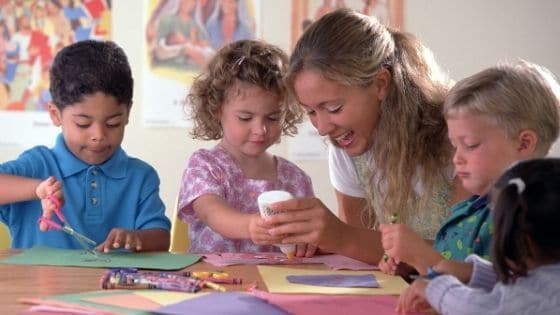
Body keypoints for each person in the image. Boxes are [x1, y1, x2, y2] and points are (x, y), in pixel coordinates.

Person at [265, 8, 464, 264]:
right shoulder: (346, 145)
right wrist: (323, 239)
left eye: (334, 108)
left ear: (380, 84)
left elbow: (464, 258)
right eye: (311, 111)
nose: (322, 128)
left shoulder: (460, 138)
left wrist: (343, 237)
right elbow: (367, 253)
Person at [379, 60, 560, 277]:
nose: (457, 158)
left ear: (523, 143)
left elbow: (498, 288)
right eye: (455, 146)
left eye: (471, 145)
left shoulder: (530, 219)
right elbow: (454, 268)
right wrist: (413, 267)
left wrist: (424, 258)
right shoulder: (470, 208)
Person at [0, 40, 171, 252]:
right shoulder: (37, 165)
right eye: (83, 124)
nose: (98, 135)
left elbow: (162, 239)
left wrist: (138, 238)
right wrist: (36, 189)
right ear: (55, 114)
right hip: (37, 285)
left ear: (127, 113)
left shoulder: (140, 176)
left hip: (115, 285)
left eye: (113, 123)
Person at [178, 39, 315, 255]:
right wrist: (249, 226)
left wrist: (310, 242)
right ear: (216, 109)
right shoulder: (205, 166)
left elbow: (311, 232)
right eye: (245, 117)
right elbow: (211, 212)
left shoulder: (295, 179)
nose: (260, 129)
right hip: (218, 282)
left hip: (277, 284)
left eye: (272, 117)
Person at [397, 158, 560, 314]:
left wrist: (435, 288)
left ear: (524, 242)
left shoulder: (531, 298)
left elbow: (478, 309)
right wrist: (473, 271)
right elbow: (527, 281)